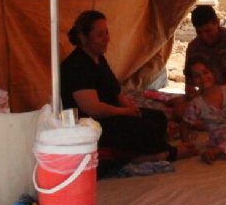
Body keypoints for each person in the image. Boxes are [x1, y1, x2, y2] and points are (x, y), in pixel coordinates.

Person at [60, 10, 175, 171]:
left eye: (106, 33)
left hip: (112, 115)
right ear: (83, 38)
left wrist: (131, 109)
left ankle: (149, 152)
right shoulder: (76, 66)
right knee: (145, 127)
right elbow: (92, 108)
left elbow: (115, 91)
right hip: (92, 124)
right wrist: (124, 112)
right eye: (100, 35)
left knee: (158, 117)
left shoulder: (99, 58)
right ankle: (165, 153)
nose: (107, 38)